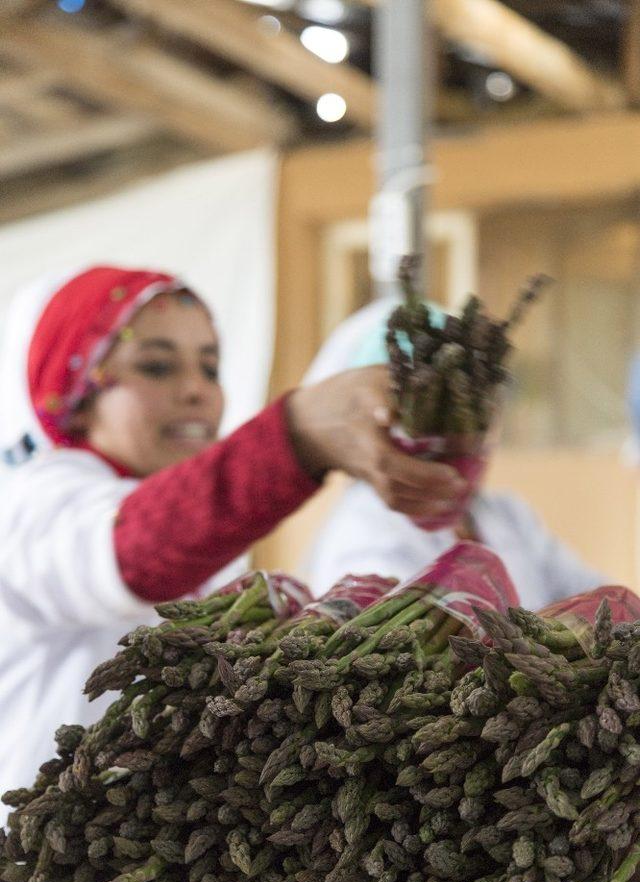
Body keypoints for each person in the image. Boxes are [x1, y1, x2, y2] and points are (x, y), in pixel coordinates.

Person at [0, 265, 466, 803]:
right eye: (156, 366)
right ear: (73, 388)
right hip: (32, 862)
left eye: (211, 367)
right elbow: (135, 550)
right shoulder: (33, 504)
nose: (196, 391)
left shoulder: (185, 515)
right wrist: (297, 436)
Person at [302, 298, 607, 609]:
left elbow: (603, 605)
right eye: (436, 420)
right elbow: (408, 648)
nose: (458, 443)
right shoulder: (363, 536)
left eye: (472, 417)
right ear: (384, 426)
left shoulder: (505, 515)